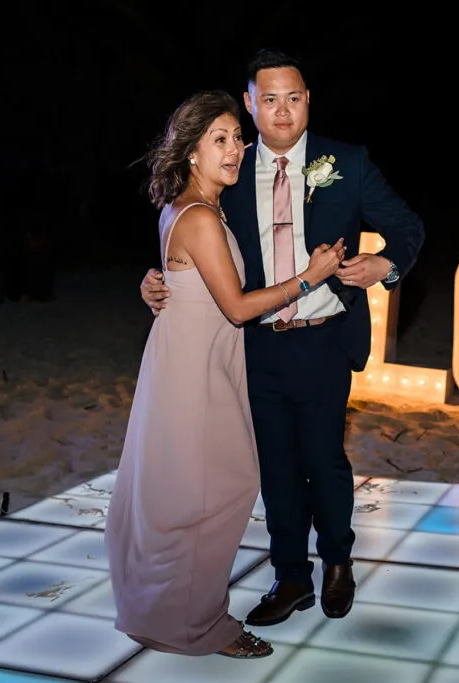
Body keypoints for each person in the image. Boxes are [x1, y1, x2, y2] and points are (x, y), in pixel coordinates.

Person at [140, 49, 425, 626]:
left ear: (308, 100)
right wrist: (156, 277)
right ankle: (290, 574)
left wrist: (384, 264)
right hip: (253, 345)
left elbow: (407, 226)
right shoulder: (230, 166)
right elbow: (192, 230)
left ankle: (338, 561)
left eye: (293, 98)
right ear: (250, 105)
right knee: (274, 467)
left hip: (324, 338)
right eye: (268, 99)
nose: (282, 111)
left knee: (323, 458)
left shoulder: (346, 161)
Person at [104, 90, 346, 659]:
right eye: (220, 139)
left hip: (197, 360)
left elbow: (183, 278)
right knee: (214, 489)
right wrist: (311, 277)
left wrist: (154, 283)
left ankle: (170, 612)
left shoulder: (190, 208)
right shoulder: (198, 215)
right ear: (191, 150)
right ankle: (198, 625)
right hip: (194, 372)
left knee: (193, 490)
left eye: (238, 137)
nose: (235, 148)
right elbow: (236, 307)